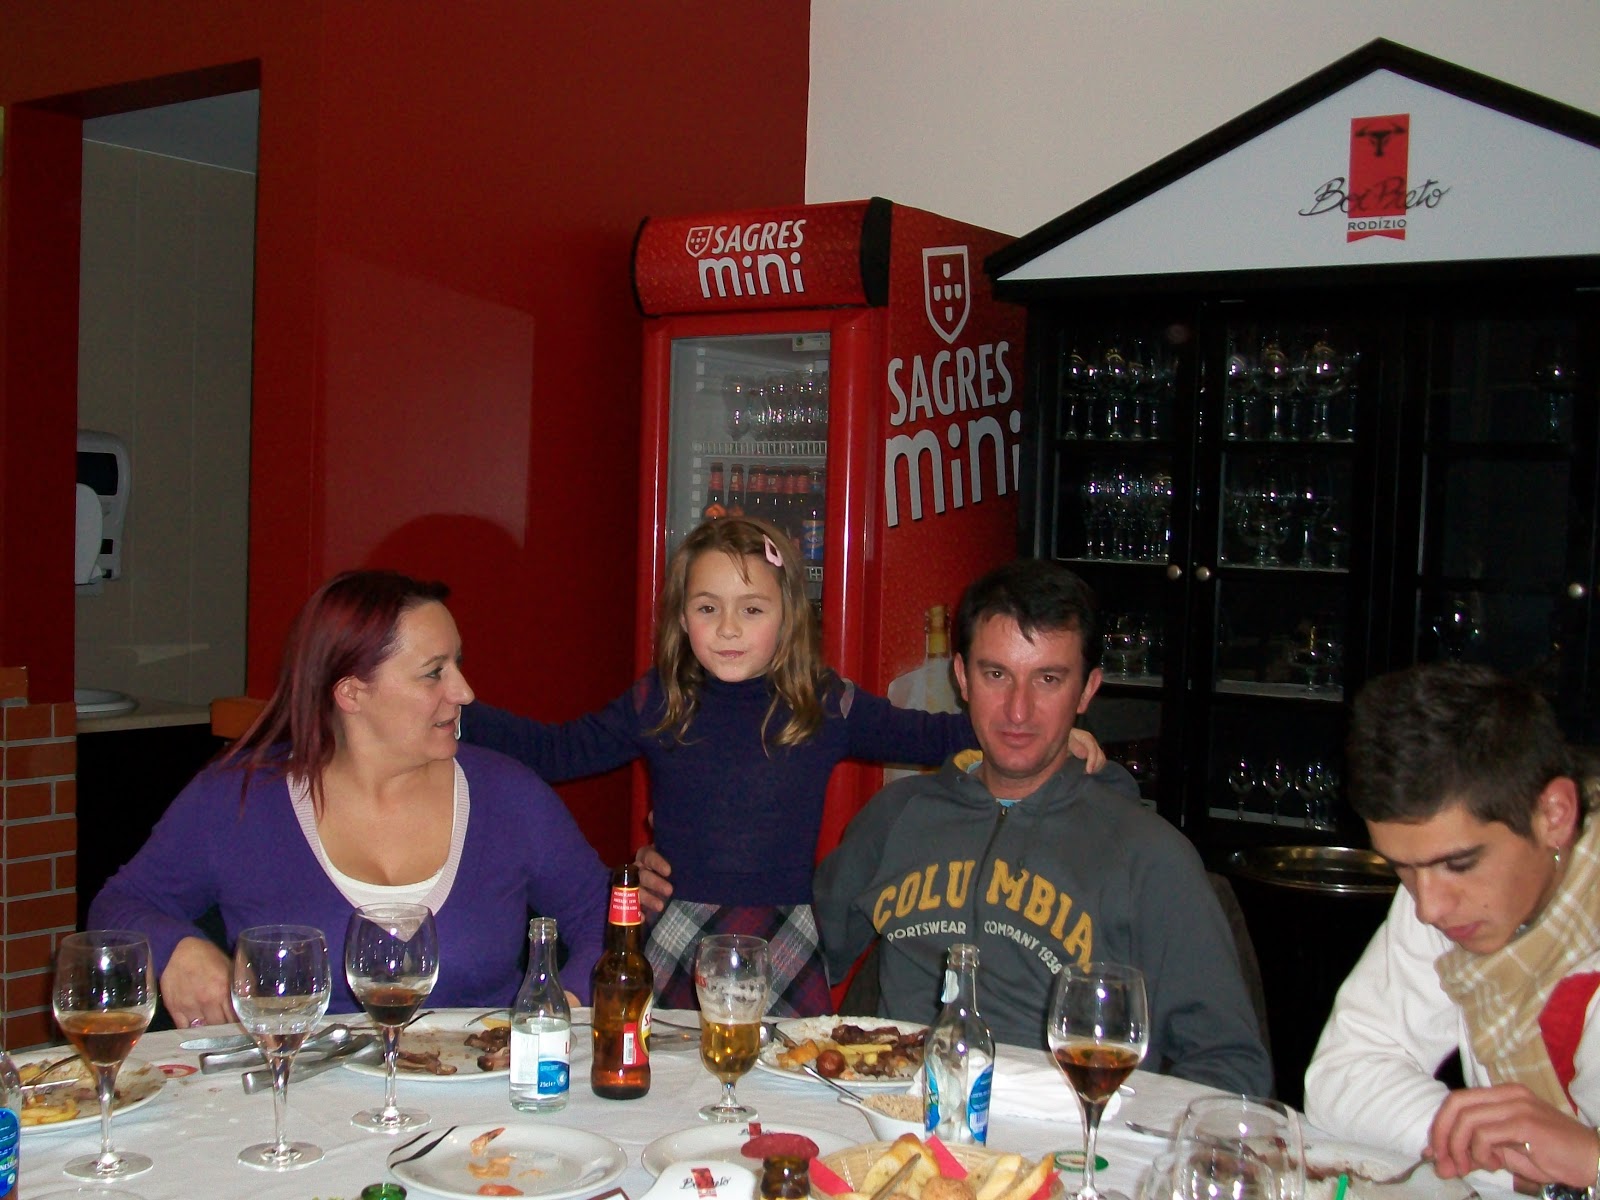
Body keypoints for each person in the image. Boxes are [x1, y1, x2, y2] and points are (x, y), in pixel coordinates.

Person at [462, 517, 1106, 1017]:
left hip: (784, 938)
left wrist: (1050, 734)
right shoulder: (659, 699)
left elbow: (933, 734)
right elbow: (556, 752)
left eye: (752, 609)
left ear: (787, 614)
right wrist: (449, 706)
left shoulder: (822, 702)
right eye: (707, 608)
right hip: (676, 932)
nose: (728, 628)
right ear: (682, 617)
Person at [811, 558, 1272, 1096]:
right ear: (962, 677)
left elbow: (1231, 1067)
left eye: (1048, 679)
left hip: (1068, 1134)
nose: (1018, 711)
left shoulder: (1150, 855)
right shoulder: (895, 818)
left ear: (1087, 690)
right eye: (996, 675)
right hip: (897, 1125)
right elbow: (794, 965)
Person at [89, 570, 610, 1025]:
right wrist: (176, 948)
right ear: (352, 693)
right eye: (434, 672)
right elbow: (120, 905)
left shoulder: (508, 796)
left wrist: (564, 1001)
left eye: (457, 664)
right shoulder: (237, 801)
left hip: (481, 1097)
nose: (464, 691)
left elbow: (604, 916)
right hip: (296, 1094)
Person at [1305, 662, 1600, 1196]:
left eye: (1459, 864)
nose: (1429, 909)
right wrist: (1509, 1158)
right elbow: (1343, 1076)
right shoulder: (1447, 888)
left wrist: (1591, 1162)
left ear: (1555, 815)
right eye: (1401, 868)